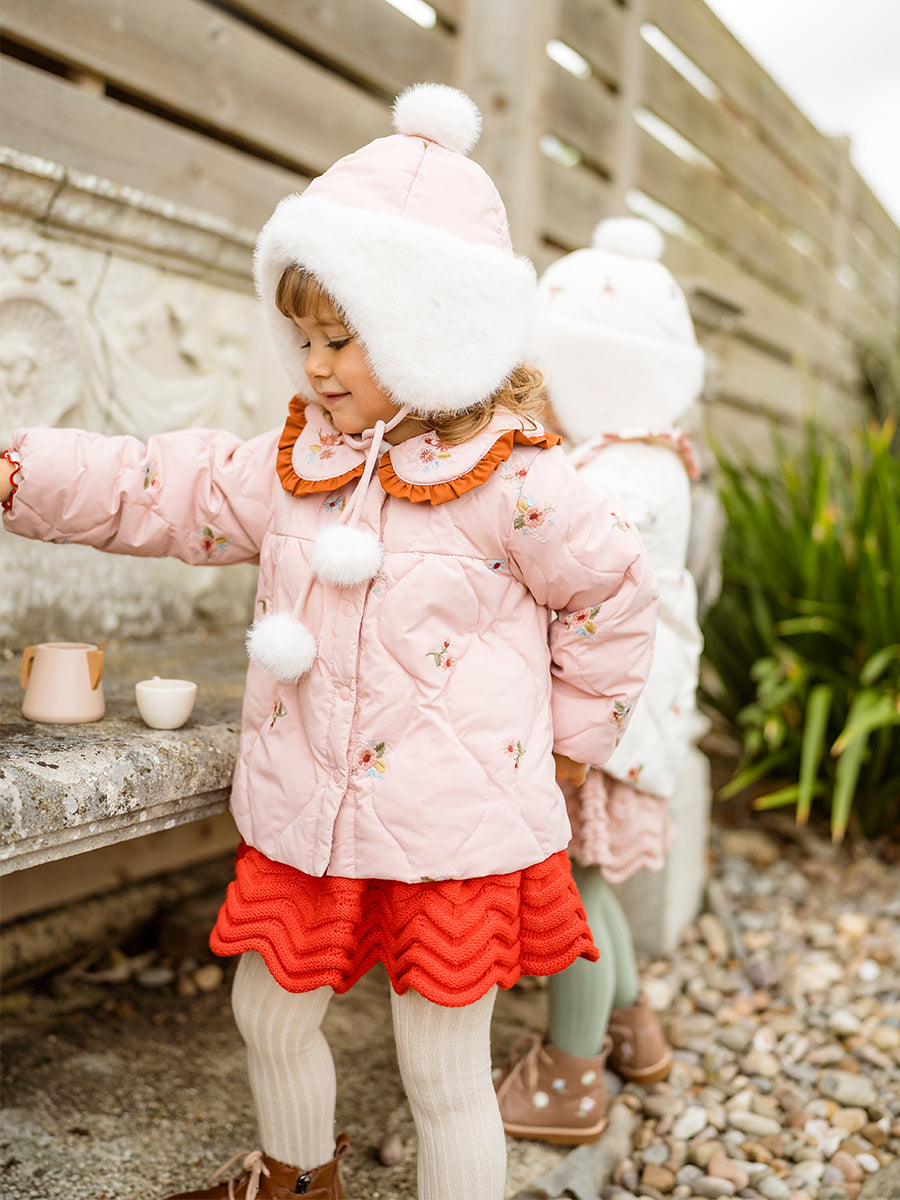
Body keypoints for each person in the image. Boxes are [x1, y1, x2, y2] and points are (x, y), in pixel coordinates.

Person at [0, 88, 658, 1200]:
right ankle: (296, 1181)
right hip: (308, 816)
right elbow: (158, 484)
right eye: (302, 337)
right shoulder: (297, 463)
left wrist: (571, 743)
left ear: (431, 325)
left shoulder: (520, 481)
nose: (312, 364)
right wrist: (21, 471)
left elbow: (614, 598)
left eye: (341, 340)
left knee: (440, 1066)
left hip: (454, 831)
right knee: (268, 1011)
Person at [495, 217, 705, 1145]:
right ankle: (632, 1031)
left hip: (604, 724)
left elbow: (560, 563)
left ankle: (573, 1073)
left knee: (566, 893)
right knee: (591, 883)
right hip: (628, 716)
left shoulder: (625, 477)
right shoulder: (648, 453)